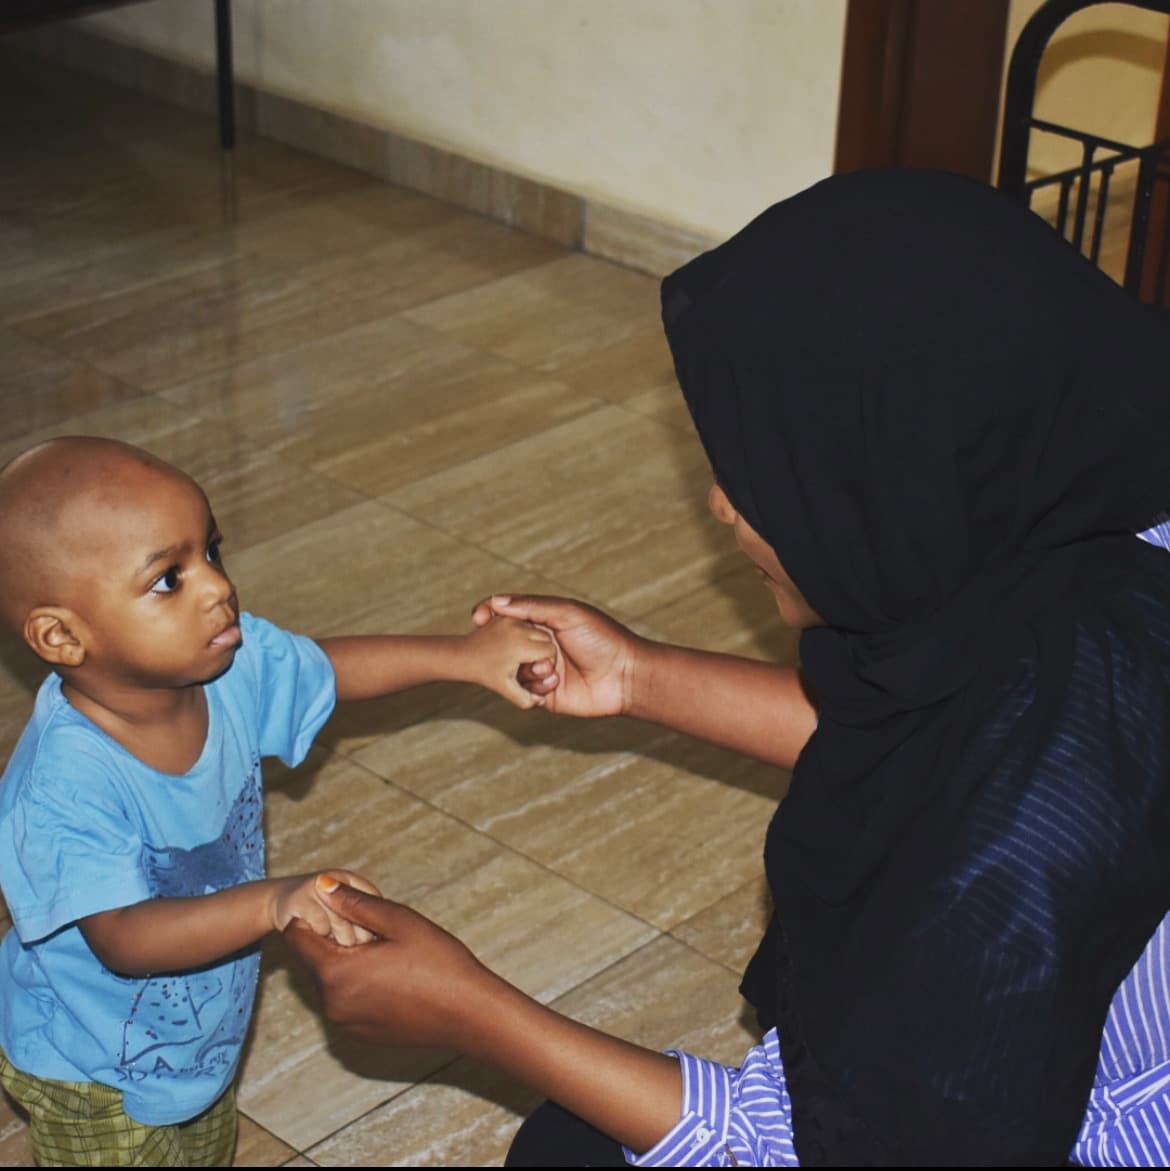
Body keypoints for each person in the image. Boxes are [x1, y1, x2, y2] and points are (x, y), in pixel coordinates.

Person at [284, 167, 1170, 1167]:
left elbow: (807, 1148)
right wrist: (637, 676)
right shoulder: (1114, 518)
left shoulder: (1000, 874)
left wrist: (472, 1012)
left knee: (566, 1150)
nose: (721, 508)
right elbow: (949, 743)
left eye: (765, 481)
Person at [0, 435, 557, 1168]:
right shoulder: (65, 784)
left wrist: (463, 656)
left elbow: (326, 667)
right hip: (94, 1064)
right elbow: (125, 936)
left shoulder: (222, 667)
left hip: (199, 1031)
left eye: (212, 551)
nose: (216, 587)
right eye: (169, 578)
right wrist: (270, 903)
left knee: (204, 1144)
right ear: (61, 635)